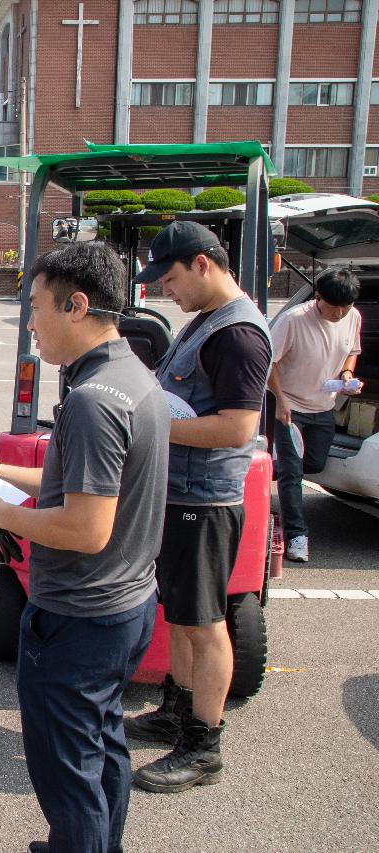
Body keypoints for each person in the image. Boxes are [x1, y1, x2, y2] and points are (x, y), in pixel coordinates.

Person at [0, 242, 168, 852]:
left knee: (68, 773)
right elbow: (82, 485)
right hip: (124, 605)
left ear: (77, 306)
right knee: (101, 748)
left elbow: (86, 528)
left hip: (80, 616)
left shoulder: (92, 401)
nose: (29, 324)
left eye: (36, 307)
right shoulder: (129, 376)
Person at [125, 220, 272, 793]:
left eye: (171, 278)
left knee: (205, 623)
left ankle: (203, 746)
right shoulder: (206, 323)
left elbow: (237, 428)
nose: (167, 291)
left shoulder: (237, 335)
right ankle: (175, 711)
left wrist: (154, 423)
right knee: (182, 616)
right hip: (181, 494)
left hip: (204, 502)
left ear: (203, 264)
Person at [268, 267, 363, 562]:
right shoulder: (294, 319)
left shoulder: (354, 317)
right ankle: (297, 536)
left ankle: (267, 471)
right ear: (318, 297)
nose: (338, 314)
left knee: (314, 463)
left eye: (344, 308)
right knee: (293, 472)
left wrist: (347, 374)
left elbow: (353, 350)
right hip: (290, 408)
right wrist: (281, 402)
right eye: (333, 307)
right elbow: (268, 363)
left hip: (324, 406)